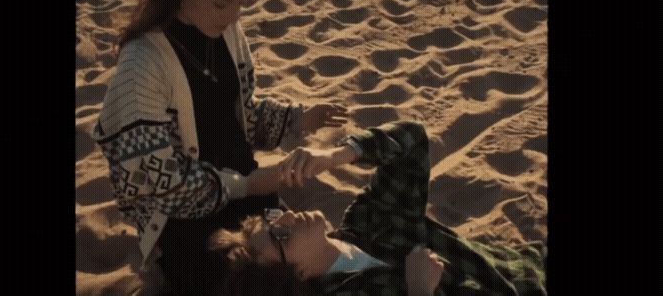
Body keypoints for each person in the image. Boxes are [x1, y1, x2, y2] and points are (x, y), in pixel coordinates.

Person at [91, 0, 349, 295]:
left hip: (251, 198)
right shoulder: (140, 64)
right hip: (186, 224)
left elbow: (242, 116)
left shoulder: (226, 30)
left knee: (315, 265)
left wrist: (297, 119)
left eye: (241, 2)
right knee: (250, 285)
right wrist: (247, 186)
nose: (236, 14)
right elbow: (164, 184)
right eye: (222, 4)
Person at [210, 121, 547, 296]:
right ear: (297, 277)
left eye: (270, 220)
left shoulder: (366, 223)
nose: (284, 215)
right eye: (281, 236)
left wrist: (335, 156)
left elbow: (412, 141)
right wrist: (419, 291)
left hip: (520, 267)